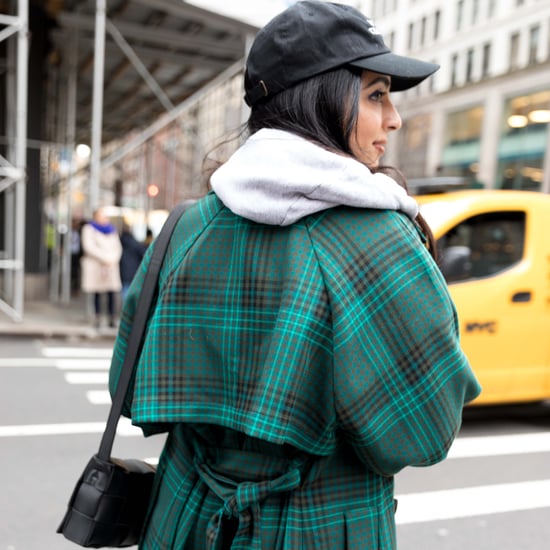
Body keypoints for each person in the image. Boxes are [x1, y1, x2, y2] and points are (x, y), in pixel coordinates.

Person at [108, 3, 481, 548]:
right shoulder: (375, 241)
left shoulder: (186, 226)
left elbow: (127, 383)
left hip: (182, 516)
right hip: (318, 526)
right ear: (321, 99)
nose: (393, 118)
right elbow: (421, 433)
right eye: (376, 94)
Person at [80, 207, 122, 328]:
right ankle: (97, 317)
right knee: (97, 293)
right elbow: (89, 247)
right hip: (96, 265)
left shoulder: (112, 230)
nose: (105, 218)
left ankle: (112, 317)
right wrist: (105, 258)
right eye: (102, 215)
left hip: (111, 266)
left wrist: (112, 259)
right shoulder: (89, 229)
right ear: (96, 216)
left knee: (111, 293)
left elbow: (118, 247)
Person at [119, 223, 147, 302]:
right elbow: (143, 253)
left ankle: (125, 307)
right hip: (133, 269)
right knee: (132, 289)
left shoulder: (119, 242)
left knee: (125, 288)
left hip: (123, 269)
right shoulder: (134, 242)